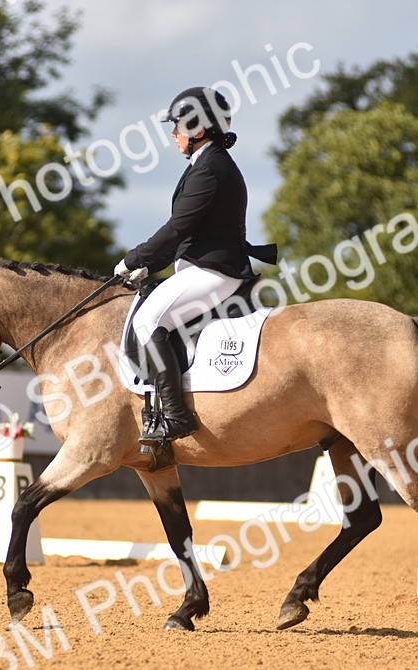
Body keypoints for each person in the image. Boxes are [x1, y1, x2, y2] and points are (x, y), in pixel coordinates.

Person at [115, 86, 275, 444]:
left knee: (149, 319)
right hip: (203, 265)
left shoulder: (210, 169)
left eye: (178, 127)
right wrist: (150, 265)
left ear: (199, 130)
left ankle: (175, 416)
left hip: (215, 270)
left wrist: (133, 259)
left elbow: (178, 227)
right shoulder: (207, 163)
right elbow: (189, 232)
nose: (174, 134)